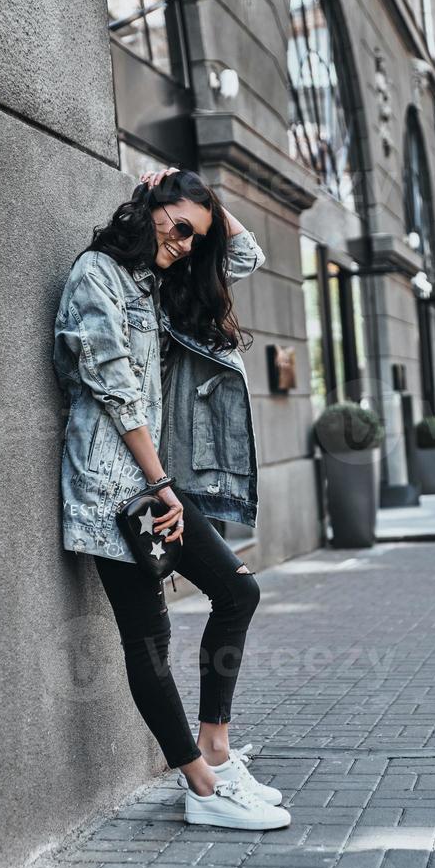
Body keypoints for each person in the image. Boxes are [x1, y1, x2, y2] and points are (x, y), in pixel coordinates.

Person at [53, 167, 290, 830]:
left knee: (238, 592)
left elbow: (245, 255)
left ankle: (216, 747)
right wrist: (160, 485)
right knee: (149, 637)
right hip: (111, 486)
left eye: (194, 234)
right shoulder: (97, 275)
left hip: (153, 482)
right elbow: (114, 387)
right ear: (149, 207)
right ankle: (202, 787)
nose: (186, 244)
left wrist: (209, 193)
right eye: (179, 226)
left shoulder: (155, 283)